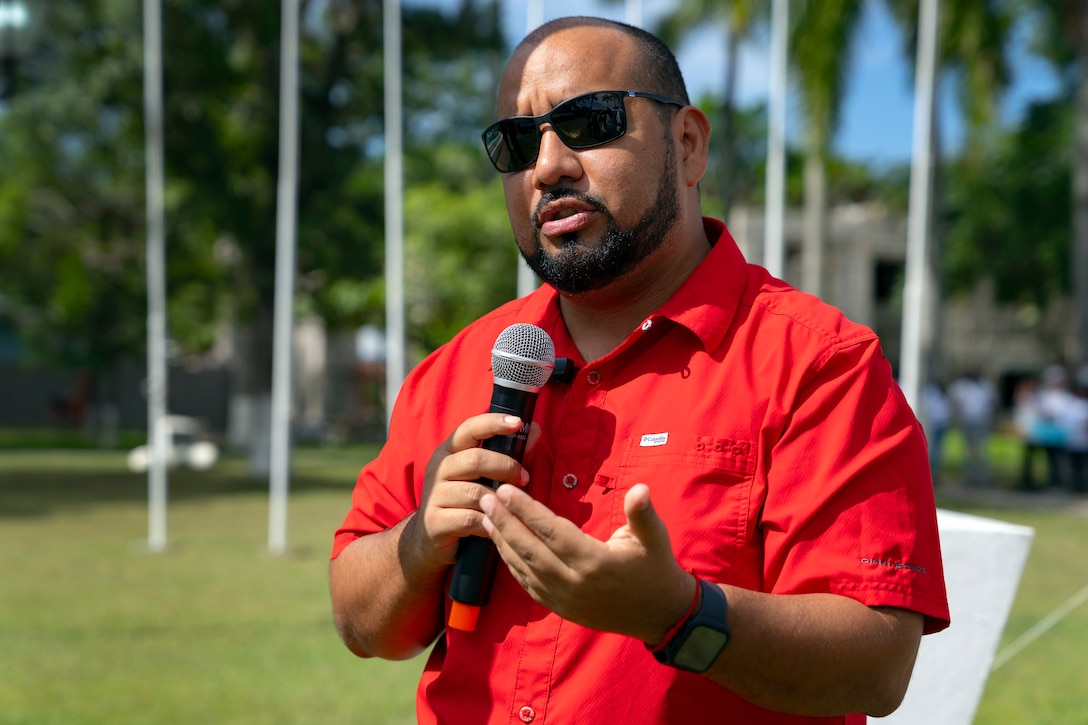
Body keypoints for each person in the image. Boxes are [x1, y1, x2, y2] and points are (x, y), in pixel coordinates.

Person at [330, 17, 949, 724]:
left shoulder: (819, 364)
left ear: (687, 143)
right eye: (518, 142)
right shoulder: (458, 368)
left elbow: (877, 666)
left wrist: (678, 613)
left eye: (589, 122)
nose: (548, 167)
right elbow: (358, 619)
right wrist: (422, 539)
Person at [947, 370, 998, 487]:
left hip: (982, 422)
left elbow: (994, 403)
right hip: (967, 422)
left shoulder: (986, 386)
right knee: (968, 453)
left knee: (982, 452)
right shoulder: (960, 386)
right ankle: (969, 478)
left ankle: (983, 479)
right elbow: (953, 402)